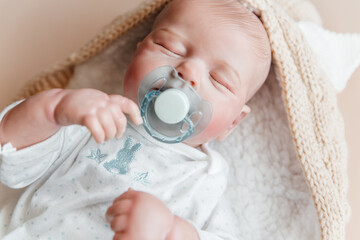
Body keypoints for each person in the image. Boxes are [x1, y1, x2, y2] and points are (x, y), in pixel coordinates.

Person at [0, 0, 271, 239]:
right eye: (169, 47)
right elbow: (11, 158)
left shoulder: (205, 178)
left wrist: (171, 231)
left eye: (219, 80)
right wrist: (54, 108)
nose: (187, 72)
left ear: (233, 123)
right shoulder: (92, 116)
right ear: (136, 54)